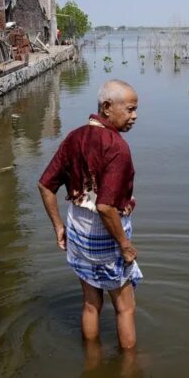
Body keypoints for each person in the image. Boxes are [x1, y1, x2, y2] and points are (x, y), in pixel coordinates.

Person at [38, 79, 141, 349]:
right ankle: (130, 371)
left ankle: (92, 364)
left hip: (78, 233)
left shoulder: (75, 137)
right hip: (106, 238)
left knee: (91, 304)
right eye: (130, 109)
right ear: (107, 107)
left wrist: (59, 226)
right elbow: (106, 207)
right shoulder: (117, 147)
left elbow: (45, 185)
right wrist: (126, 246)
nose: (135, 116)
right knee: (125, 308)